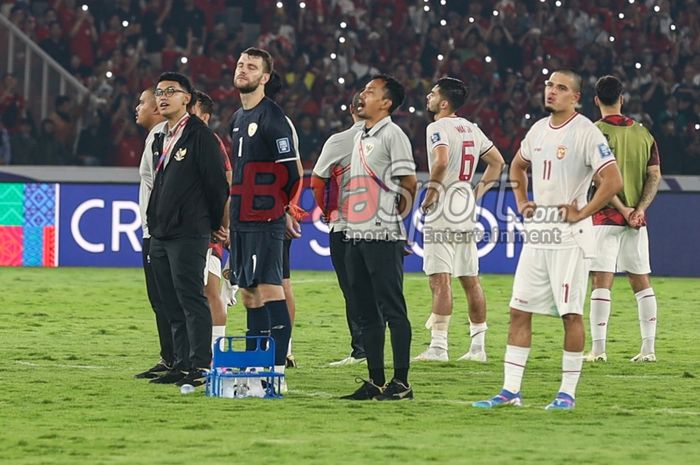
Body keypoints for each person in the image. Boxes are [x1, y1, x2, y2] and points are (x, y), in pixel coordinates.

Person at [473, 70, 623, 410]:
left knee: (570, 315)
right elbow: (517, 166)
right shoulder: (538, 130)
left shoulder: (585, 132)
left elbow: (612, 180)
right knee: (518, 310)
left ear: (577, 98)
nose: (551, 91)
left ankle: (566, 393)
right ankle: (510, 391)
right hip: (538, 236)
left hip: (570, 240)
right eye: (549, 85)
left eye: (561, 87)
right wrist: (522, 200)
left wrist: (582, 212)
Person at [413, 77, 505, 363]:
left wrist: (431, 194)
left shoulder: (437, 127)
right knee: (470, 278)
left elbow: (440, 161)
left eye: (432, 93)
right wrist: (478, 191)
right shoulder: (472, 129)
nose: (428, 96)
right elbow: (498, 162)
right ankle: (478, 348)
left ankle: (439, 348)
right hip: (465, 204)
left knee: (440, 279)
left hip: (443, 206)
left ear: (443, 102)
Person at [147, 72, 229, 387]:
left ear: (187, 99)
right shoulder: (159, 138)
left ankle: (199, 365)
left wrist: (215, 225)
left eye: (171, 91)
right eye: (159, 91)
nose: (163, 96)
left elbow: (216, 185)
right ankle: (180, 363)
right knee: (168, 300)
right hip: (162, 232)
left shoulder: (201, 136)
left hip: (190, 231)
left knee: (191, 297)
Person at [340, 75, 417, 401]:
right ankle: (375, 381)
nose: (363, 95)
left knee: (392, 310)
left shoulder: (393, 134)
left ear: (386, 103)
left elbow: (409, 182)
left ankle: (401, 382)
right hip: (355, 233)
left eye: (370, 92)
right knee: (366, 311)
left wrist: (390, 219)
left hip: (382, 235)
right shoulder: (362, 135)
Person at [229, 48, 300, 385]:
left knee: (271, 291)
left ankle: (276, 371)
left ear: (265, 77)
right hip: (241, 219)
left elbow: (293, 172)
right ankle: (255, 365)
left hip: (265, 218)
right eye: (241, 64)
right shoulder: (237, 118)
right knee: (248, 293)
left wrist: (281, 209)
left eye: (252, 67)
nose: (244, 70)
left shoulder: (273, 117)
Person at [586, 75, 661, 363]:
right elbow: (654, 175)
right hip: (636, 221)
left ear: (596, 100)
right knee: (641, 282)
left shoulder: (594, 132)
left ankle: (599, 350)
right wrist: (639, 209)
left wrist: (622, 208)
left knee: (601, 282)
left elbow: (599, 178)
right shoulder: (643, 133)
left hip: (606, 218)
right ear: (622, 98)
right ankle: (648, 349)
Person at [311, 93, 368, 367]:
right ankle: (379, 348)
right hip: (380, 227)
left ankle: (361, 350)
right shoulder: (392, 139)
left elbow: (317, 180)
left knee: (352, 288)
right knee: (378, 289)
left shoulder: (338, 141)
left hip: (345, 225)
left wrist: (326, 209)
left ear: (350, 110)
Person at [264, 71, 306, 369]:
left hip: (274, 211)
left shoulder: (276, 121)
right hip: (256, 213)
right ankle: (275, 346)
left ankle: (285, 349)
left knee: (280, 281)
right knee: (264, 283)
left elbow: (296, 170)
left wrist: (288, 207)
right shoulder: (254, 117)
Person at [190, 90, 233, 352]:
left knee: (209, 290)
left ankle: (217, 350)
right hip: (193, 227)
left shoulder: (209, 141)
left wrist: (222, 225)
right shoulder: (187, 139)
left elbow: (226, 183)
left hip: (207, 228)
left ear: (204, 116)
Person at [133, 87, 172, 379]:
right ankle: (170, 357)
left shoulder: (161, 137)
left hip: (160, 230)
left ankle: (177, 358)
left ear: (157, 109)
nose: (138, 107)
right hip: (155, 228)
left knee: (165, 298)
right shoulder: (156, 137)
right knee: (160, 298)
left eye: (142, 102)